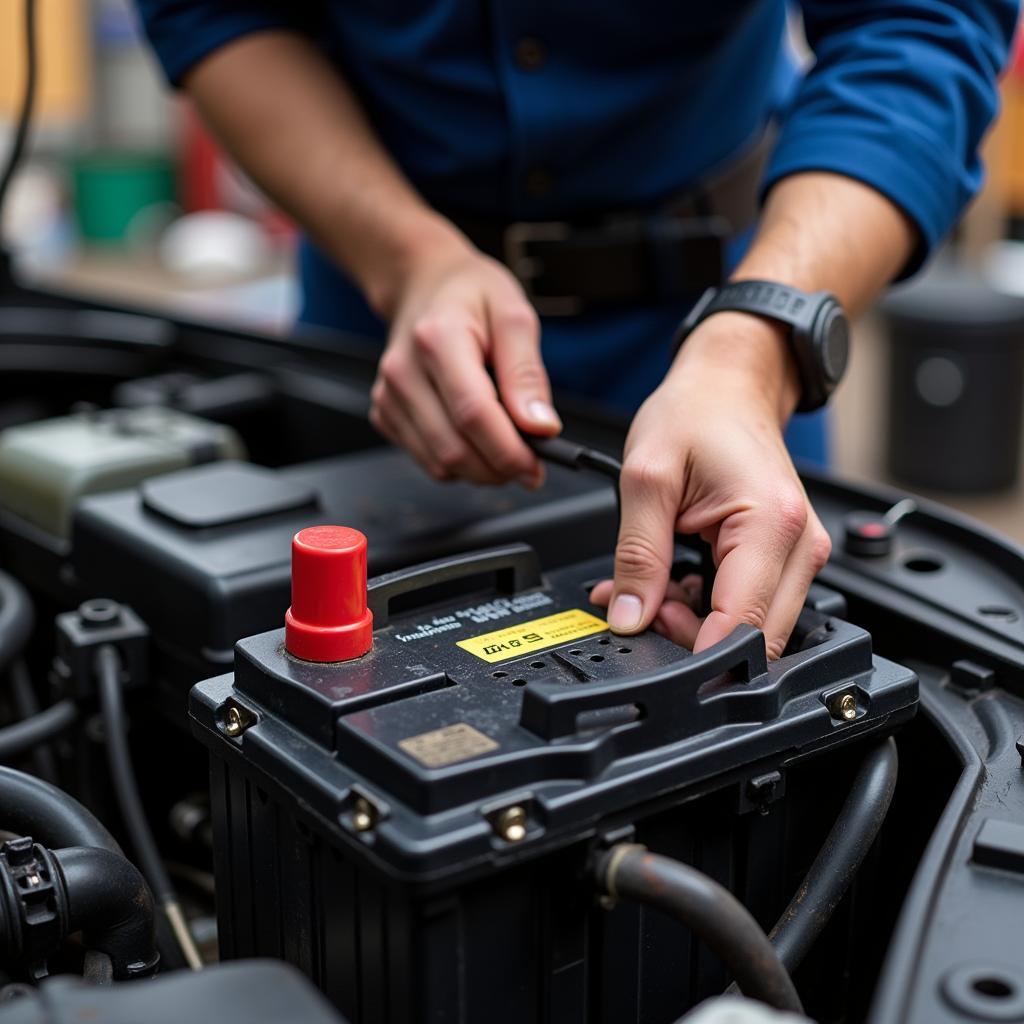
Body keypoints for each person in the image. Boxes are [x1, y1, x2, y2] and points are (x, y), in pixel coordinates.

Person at [136, 1, 1015, 658]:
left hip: (733, 337)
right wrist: (406, 259)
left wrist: (754, 347)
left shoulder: (745, 354)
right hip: (392, 338)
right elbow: (213, 9)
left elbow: (921, 23)